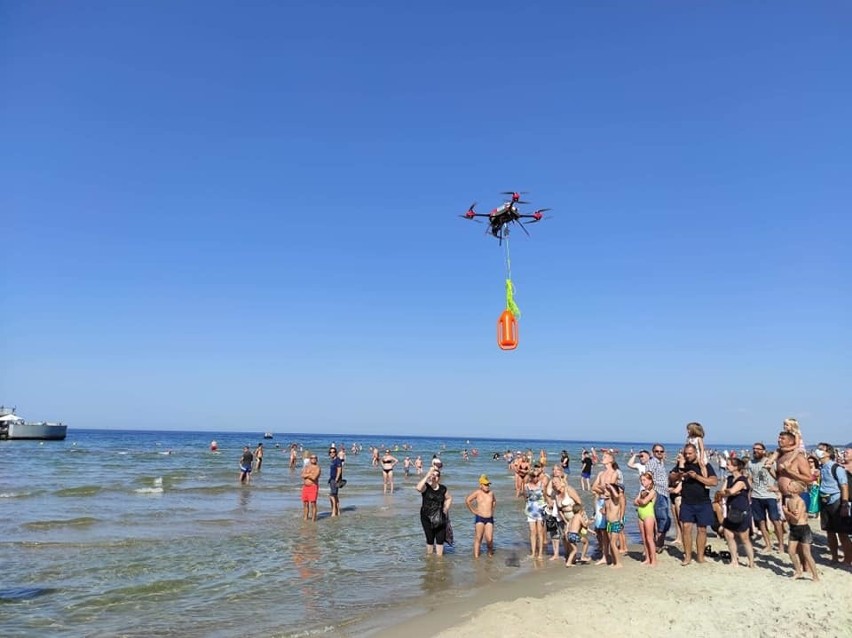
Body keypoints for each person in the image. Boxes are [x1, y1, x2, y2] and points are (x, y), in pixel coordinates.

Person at [670, 443, 718, 566]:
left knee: (702, 529)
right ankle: (688, 556)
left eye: (690, 453)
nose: (687, 456)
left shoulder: (704, 465)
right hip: (687, 501)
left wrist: (696, 476)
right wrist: (681, 473)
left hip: (703, 501)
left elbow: (713, 482)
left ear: (696, 452)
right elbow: (671, 478)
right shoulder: (682, 465)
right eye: (685, 453)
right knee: (686, 528)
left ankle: (700, 557)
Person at [815, 442, 852, 564]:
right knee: (829, 531)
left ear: (828, 453)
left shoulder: (836, 468)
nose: (818, 451)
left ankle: (847, 559)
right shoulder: (821, 468)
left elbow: (844, 486)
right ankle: (834, 557)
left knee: (842, 533)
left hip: (836, 501)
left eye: (821, 450)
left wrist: (844, 505)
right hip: (824, 502)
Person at [747, 442, 785, 553]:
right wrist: (750, 489)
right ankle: (768, 544)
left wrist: (777, 488)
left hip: (770, 495)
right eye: (754, 449)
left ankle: (781, 545)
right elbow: (750, 478)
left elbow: (779, 476)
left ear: (764, 451)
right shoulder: (750, 463)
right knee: (761, 522)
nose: (755, 451)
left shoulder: (770, 462)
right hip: (756, 495)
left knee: (775, 520)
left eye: (758, 449)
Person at [719, 458, 755, 568]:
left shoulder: (742, 480)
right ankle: (734, 560)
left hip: (742, 511)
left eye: (729, 464)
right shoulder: (729, 478)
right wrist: (729, 493)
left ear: (736, 467)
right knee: (728, 535)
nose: (726, 466)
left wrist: (730, 492)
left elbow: (730, 491)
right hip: (731, 510)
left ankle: (751, 562)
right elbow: (722, 492)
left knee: (744, 538)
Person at [782, 481, 819, 581]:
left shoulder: (800, 501)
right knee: (790, 551)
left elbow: (797, 518)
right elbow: (788, 518)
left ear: (796, 490)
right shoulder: (788, 500)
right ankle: (798, 571)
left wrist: (787, 512)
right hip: (794, 529)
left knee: (807, 554)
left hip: (803, 529)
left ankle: (815, 576)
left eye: (790, 485)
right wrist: (786, 513)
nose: (788, 486)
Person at [416, 466, 452, 556]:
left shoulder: (443, 489)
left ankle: (439, 563)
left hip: (440, 517)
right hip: (426, 517)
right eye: (433, 475)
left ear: (439, 478)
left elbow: (449, 498)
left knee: (440, 540)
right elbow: (418, 488)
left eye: (436, 475)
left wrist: (446, 508)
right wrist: (427, 475)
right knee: (430, 539)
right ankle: (430, 561)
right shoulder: (426, 487)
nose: (434, 477)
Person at [646, 444, 672, 551]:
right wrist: (651, 492)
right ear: (653, 452)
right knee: (662, 519)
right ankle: (657, 544)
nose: (659, 453)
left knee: (664, 519)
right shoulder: (652, 462)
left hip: (664, 493)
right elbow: (648, 477)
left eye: (661, 451)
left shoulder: (660, 463)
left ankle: (659, 544)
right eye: (657, 451)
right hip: (658, 493)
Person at [465, 474, 496, 558]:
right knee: (478, 538)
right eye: (485, 484)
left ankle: (490, 555)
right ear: (480, 485)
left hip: (489, 518)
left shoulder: (491, 493)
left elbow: (494, 502)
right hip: (480, 518)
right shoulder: (478, 493)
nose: (487, 486)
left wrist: (492, 511)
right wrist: (473, 510)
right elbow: (468, 500)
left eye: (488, 484)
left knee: (489, 539)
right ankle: (476, 557)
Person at [524, 463, 548, 559]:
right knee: (532, 532)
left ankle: (540, 553)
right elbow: (525, 498)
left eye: (537, 476)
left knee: (540, 532)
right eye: (534, 476)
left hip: (540, 510)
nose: (536, 478)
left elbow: (545, 497)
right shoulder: (526, 486)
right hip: (530, 510)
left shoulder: (542, 485)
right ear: (530, 477)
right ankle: (533, 552)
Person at [634, 471, 657, 565]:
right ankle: (647, 558)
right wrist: (640, 500)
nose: (642, 482)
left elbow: (644, 502)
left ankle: (654, 560)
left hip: (648, 515)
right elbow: (634, 502)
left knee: (649, 538)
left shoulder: (653, 491)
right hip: (640, 514)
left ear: (650, 481)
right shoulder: (642, 491)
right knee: (643, 538)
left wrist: (640, 500)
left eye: (644, 480)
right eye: (641, 480)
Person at [603, 483, 623, 568]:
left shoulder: (615, 500)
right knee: (611, 543)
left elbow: (617, 496)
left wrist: (611, 487)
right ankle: (614, 561)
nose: (604, 491)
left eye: (606, 490)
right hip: (609, 523)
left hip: (615, 523)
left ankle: (618, 563)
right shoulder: (607, 500)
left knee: (613, 543)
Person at [301, 453, 321, 521]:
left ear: (317, 460)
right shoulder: (307, 466)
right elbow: (302, 475)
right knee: (305, 503)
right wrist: (310, 474)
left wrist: (307, 474)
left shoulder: (317, 468)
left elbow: (314, 477)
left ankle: (313, 519)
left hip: (313, 487)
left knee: (313, 504)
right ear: (310, 459)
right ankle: (305, 518)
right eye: (312, 458)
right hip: (305, 487)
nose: (313, 459)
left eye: (315, 458)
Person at [328, 447, 343, 517]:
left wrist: (336, 479)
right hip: (332, 479)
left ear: (336, 452)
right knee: (335, 496)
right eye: (330, 452)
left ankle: (334, 511)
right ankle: (338, 511)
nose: (332, 453)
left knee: (332, 496)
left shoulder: (337, 460)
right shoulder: (333, 460)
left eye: (333, 452)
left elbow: (339, 470)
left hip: (335, 480)